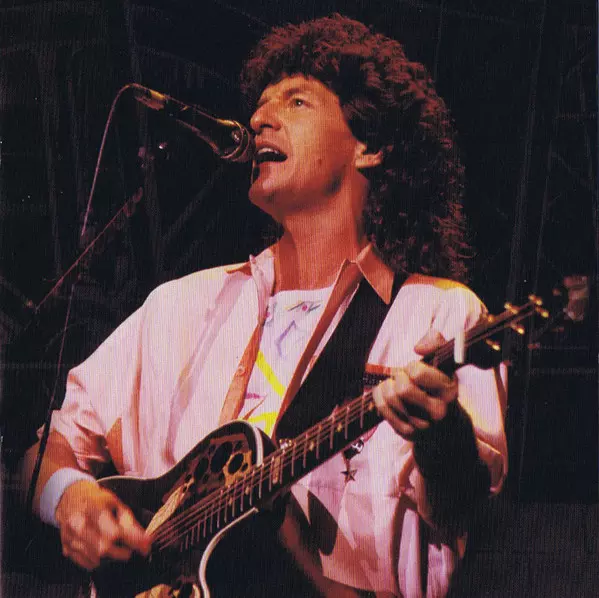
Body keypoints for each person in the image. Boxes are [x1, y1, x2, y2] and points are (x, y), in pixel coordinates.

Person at [20, 13, 507, 598]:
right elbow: (46, 448)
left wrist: (441, 436)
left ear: (370, 146)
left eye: (296, 101)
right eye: (260, 104)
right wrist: (70, 498)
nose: (258, 119)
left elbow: (460, 514)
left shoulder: (436, 315)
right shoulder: (179, 308)